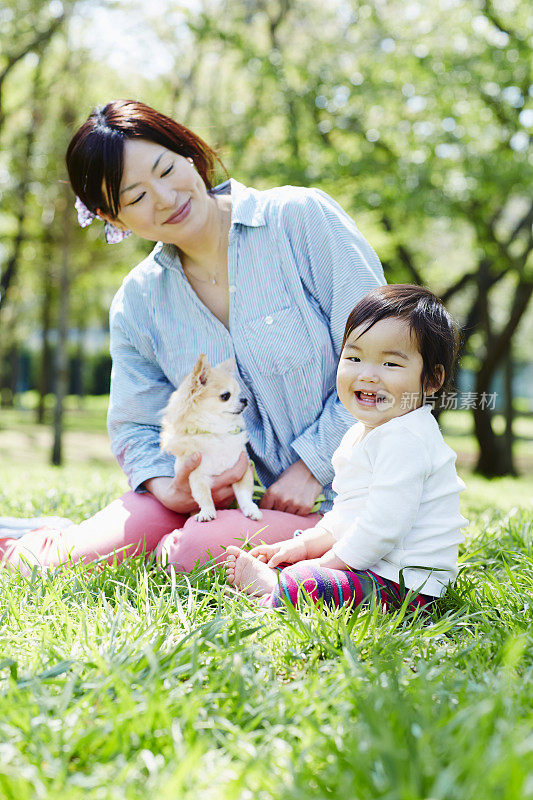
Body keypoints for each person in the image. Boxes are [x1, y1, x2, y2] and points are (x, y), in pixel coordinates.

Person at [0, 99, 384, 574]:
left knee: (190, 550)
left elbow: (387, 363)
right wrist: (168, 488)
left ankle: (173, 537)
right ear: (113, 220)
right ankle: (28, 542)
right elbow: (134, 424)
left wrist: (312, 467)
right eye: (135, 198)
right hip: (209, 498)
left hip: (350, 497)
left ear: (188, 153)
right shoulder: (140, 301)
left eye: (165, 169)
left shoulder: (300, 220)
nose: (164, 198)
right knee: (66, 561)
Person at [225, 285, 468, 612]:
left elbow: (383, 526)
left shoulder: (407, 438)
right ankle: (282, 583)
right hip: (374, 568)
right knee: (309, 570)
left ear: (432, 380)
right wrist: (304, 546)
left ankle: (278, 591)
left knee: (316, 581)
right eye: (354, 357)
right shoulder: (364, 433)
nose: (367, 375)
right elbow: (347, 515)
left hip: (409, 587)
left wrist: (326, 564)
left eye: (391, 364)